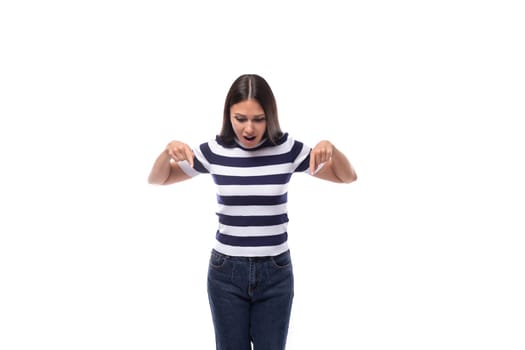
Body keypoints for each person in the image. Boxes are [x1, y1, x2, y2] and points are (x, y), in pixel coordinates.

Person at [148, 74, 357, 350]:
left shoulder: (288, 150)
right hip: (225, 274)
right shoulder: (213, 151)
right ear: (228, 116)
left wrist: (333, 150)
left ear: (270, 116)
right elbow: (158, 179)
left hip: (275, 272)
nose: (249, 128)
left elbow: (347, 177)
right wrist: (166, 153)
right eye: (240, 118)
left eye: (258, 119)